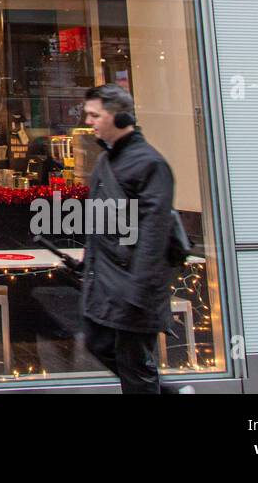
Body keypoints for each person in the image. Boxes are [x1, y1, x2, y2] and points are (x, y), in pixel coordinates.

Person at [78, 83, 178, 394]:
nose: (89, 121)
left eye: (95, 115)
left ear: (119, 118)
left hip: (134, 287)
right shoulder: (106, 161)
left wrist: (139, 291)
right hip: (107, 282)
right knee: (99, 342)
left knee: (135, 367)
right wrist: (87, 263)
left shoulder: (150, 164)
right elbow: (100, 224)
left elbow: (154, 235)